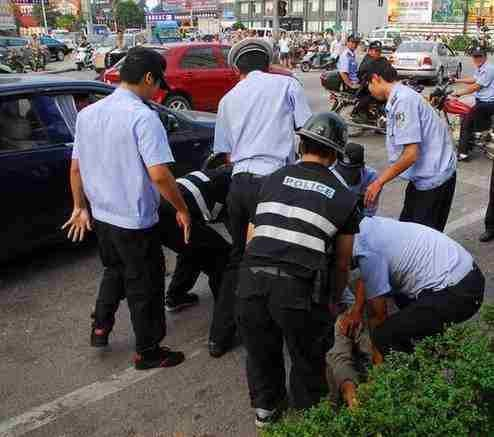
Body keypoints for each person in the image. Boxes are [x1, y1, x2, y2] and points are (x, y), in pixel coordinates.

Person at [63, 47, 190, 370]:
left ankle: (101, 325)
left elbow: (76, 168)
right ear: (149, 78)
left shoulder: (89, 114)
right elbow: (160, 175)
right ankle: (149, 351)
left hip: (102, 216)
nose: (158, 90)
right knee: (144, 284)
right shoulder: (143, 117)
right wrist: (182, 208)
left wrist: (80, 206)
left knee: (115, 270)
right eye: (158, 83)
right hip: (134, 221)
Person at [236, 113, 361, 428]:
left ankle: (266, 410)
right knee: (307, 354)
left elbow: (251, 239)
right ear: (334, 154)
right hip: (297, 289)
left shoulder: (272, 179)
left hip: (250, 281)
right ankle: (309, 418)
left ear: (301, 143)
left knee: (261, 350)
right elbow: (343, 261)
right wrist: (333, 298)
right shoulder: (344, 196)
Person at [213, 38, 312, 298]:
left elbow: (226, 153)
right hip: (272, 181)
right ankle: (264, 320)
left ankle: (219, 336)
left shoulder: (227, 99)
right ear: (269, 63)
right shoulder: (287, 84)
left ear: (237, 69)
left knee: (238, 254)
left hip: (239, 183)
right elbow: (307, 130)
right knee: (274, 254)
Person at [350, 216, 485, 360]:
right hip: (463, 274)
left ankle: (412, 375)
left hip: (458, 291)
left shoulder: (367, 252)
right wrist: (356, 310)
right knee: (400, 304)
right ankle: (431, 351)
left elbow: (377, 316)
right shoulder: (365, 227)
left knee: (384, 336)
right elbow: (367, 277)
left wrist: (376, 362)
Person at [364, 58, 457, 232]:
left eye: (368, 84)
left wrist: (379, 182)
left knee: (422, 241)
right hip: (425, 177)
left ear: (376, 78)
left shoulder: (403, 101)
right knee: (407, 230)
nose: (369, 90)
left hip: (434, 180)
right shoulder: (399, 97)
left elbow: (410, 155)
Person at [158, 165, 237, 358]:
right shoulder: (239, 183)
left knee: (193, 249)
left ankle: (175, 296)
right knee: (223, 260)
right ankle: (223, 326)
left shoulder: (224, 172)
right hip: (177, 212)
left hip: (162, 207)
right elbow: (233, 223)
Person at [326, 142, 379, 410]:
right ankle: (352, 393)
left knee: (355, 331)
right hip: (335, 268)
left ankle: (357, 390)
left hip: (353, 239)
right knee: (339, 340)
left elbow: (369, 216)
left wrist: (354, 309)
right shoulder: (331, 177)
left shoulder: (370, 178)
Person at [454, 46, 494, 162]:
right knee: (466, 111)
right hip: (482, 102)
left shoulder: (489, 69)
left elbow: (477, 86)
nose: (477, 58)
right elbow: (474, 79)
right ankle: (472, 140)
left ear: (485, 56)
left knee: (466, 123)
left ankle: (463, 153)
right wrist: (456, 81)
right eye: (475, 56)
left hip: (488, 103)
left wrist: (458, 93)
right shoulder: (481, 68)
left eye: (479, 56)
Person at [355, 41, 388, 123]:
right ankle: (371, 116)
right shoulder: (369, 61)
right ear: (369, 51)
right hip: (365, 87)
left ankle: (378, 117)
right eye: (376, 51)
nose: (378, 53)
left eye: (379, 51)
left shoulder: (374, 59)